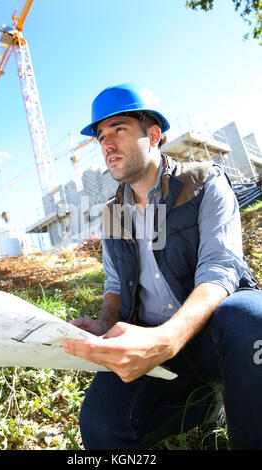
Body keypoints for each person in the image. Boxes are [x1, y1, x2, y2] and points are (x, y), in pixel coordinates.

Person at [62, 83, 262, 450]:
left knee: (251, 318)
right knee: (101, 429)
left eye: (118, 130)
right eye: (101, 136)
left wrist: (168, 338)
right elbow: (114, 284)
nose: (107, 144)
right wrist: (105, 322)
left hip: (209, 333)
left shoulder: (203, 183)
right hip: (148, 337)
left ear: (153, 134)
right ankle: (207, 403)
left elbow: (220, 269)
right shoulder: (114, 213)